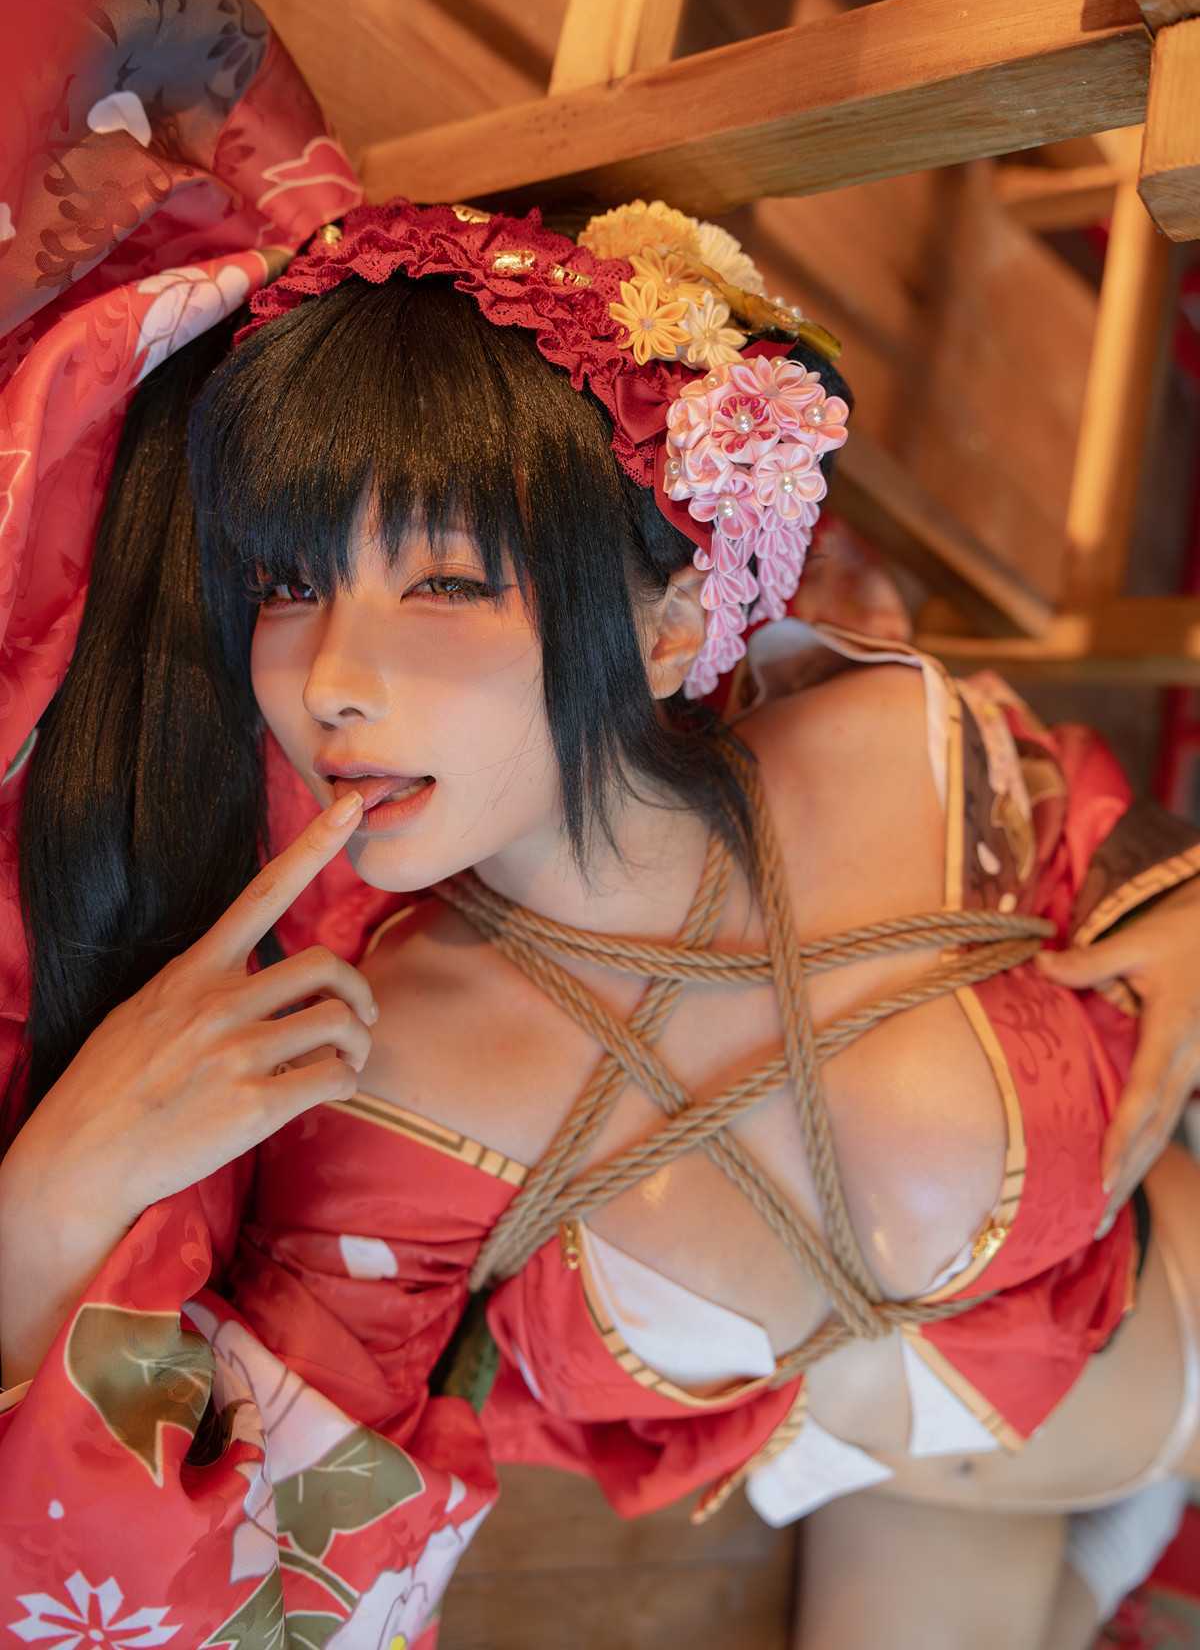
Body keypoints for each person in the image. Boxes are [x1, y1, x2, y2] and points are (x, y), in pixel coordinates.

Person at [2, 187, 1200, 1650]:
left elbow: (1101, 845)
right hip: (927, 1488)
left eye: (445, 581)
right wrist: (43, 1209)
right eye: (290, 582)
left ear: (672, 625)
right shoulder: (379, 1092)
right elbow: (261, 1600)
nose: (328, 682)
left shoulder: (891, 750)